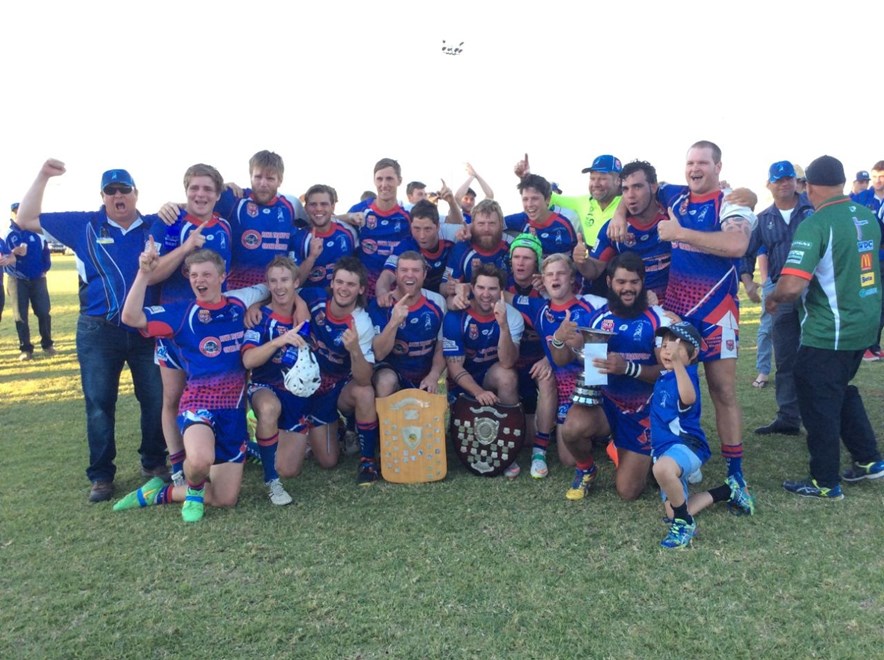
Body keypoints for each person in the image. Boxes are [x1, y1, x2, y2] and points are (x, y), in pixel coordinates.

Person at [15, 159, 168, 502]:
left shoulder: (156, 225)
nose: (118, 196)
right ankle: (101, 476)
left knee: (155, 399)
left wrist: (227, 192)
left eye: (124, 190)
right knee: (99, 404)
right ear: (102, 196)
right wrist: (43, 175)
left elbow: (201, 208)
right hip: (98, 331)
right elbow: (25, 218)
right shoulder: (85, 224)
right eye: (110, 191)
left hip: (145, 330)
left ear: (136, 193)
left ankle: (154, 462)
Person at [613, 141, 757, 497]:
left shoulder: (729, 202)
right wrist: (618, 213)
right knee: (671, 386)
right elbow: (637, 189)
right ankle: (681, 451)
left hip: (718, 312)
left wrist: (680, 234)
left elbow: (737, 245)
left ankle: (735, 473)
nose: (695, 169)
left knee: (722, 390)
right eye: (690, 162)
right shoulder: (674, 196)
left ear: (718, 167)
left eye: (703, 163)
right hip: (678, 311)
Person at [116, 248, 265, 522]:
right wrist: (144, 273)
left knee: (225, 499)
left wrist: (257, 306)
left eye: (206, 274)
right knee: (198, 461)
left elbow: (274, 288)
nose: (199, 280)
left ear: (222, 277)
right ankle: (194, 490)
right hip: (199, 405)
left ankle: (158, 494)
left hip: (233, 414)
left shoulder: (240, 301)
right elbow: (131, 317)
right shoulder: (182, 312)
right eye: (194, 275)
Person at [769, 155, 884, 499]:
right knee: (838, 388)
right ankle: (868, 459)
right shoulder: (866, 215)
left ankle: (824, 481)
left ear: (809, 187)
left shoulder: (816, 224)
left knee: (816, 397)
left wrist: (774, 297)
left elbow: (792, 286)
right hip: (864, 325)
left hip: (830, 330)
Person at [148, 164, 233, 486]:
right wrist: (186, 249)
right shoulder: (169, 221)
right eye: (194, 188)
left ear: (217, 194)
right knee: (173, 397)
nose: (200, 194)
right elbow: (151, 275)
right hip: (175, 326)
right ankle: (177, 464)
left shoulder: (224, 226)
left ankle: (218, 455)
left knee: (217, 391)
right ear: (185, 191)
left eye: (208, 189)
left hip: (214, 327)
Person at [559, 253, 669, 501]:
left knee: (628, 492)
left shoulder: (658, 319)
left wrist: (627, 368)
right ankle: (586, 469)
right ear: (609, 282)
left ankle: (651, 450)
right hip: (607, 406)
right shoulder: (597, 317)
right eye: (621, 282)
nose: (627, 288)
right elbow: (566, 358)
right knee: (572, 428)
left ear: (643, 282)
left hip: (643, 411)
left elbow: (667, 372)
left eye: (634, 282)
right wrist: (564, 340)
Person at [650, 322, 753, 548]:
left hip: (687, 446)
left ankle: (684, 524)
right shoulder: (666, 375)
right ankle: (728, 490)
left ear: (693, 353)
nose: (668, 352)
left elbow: (688, 398)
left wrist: (678, 364)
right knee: (673, 509)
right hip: (664, 451)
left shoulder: (686, 376)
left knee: (662, 470)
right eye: (665, 346)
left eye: (676, 349)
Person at [515, 254, 606, 482]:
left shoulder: (593, 304)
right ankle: (583, 437)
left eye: (561, 273)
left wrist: (650, 299)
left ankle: (607, 433)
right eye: (550, 275)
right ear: (543, 281)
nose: (555, 278)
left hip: (596, 384)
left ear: (572, 278)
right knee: (568, 459)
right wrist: (461, 291)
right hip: (565, 391)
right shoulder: (539, 309)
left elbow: (625, 308)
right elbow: (501, 296)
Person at [741, 161, 814, 436]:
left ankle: (818, 416)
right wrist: (748, 282)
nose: (784, 184)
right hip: (780, 292)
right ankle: (788, 417)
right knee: (784, 356)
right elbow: (745, 254)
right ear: (769, 184)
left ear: (796, 182)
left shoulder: (812, 210)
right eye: (778, 180)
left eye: (788, 179)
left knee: (816, 355)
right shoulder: (763, 219)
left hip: (814, 290)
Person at [241, 257, 317, 506]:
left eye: (284, 280)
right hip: (265, 386)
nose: (279, 286)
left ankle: (251, 447)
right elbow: (248, 360)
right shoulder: (259, 317)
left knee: (289, 469)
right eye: (273, 281)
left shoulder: (308, 311)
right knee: (269, 408)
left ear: (296, 282)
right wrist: (278, 341)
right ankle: (272, 482)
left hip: (296, 394)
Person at [299, 256, 380, 484]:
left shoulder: (361, 323)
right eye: (340, 282)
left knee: (364, 393)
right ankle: (339, 430)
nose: (344, 288)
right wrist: (298, 304)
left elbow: (364, 379)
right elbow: (286, 292)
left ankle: (367, 460)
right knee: (328, 460)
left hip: (337, 387)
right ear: (332, 283)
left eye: (351, 284)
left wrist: (354, 349)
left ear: (361, 289)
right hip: (307, 383)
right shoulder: (314, 298)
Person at [574, 160, 671, 299]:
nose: (630, 195)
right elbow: (593, 271)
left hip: (674, 306)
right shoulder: (613, 227)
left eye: (637, 187)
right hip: (633, 306)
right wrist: (581, 261)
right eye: (625, 189)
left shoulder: (674, 215)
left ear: (653, 187)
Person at [501, 234, 556, 478]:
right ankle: (508, 445)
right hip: (511, 362)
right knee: (521, 434)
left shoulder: (548, 288)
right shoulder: (501, 285)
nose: (521, 263)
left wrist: (548, 358)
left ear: (537, 262)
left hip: (538, 361)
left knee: (547, 377)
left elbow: (560, 327)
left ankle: (539, 451)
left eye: (527, 258)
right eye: (516, 257)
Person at [213, 150, 307, 289]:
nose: (263, 183)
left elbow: (319, 220)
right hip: (238, 288)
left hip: (276, 289)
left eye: (270, 178)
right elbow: (198, 205)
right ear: (250, 176)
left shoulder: (291, 205)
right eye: (258, 177)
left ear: (280, 180)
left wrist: (342, 217)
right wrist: (221, 187)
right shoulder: (235, 199)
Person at [443, 263, 524, 408]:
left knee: (507, 376)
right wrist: (479, 392)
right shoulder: (456, 316)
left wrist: (504, 326)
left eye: (492, 289)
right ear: (472, 288)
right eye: (481, 288)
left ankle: (509, 420)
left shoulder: (512, 315)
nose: (486, 294)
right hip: (461, 383)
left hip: (490, 377)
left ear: (501, 291)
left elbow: (507, 362)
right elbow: (454, 367)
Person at [369, 251, 446, 397]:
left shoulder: (437, 302)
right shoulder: (382, 305)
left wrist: (434, 375)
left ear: (424, 274)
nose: (409, 275)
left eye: (416, 270)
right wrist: (394, 322)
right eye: (404, 270)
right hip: (391, 371)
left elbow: (441, 346)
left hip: (423, 375)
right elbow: (379, 354)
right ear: (396, 274)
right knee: (386, 382)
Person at [374, 195, 460, 301]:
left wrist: (469, 234)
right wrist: (382, 294)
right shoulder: (407, 246)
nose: (422, 235)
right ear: (410, 226)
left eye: (427, 229)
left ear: (438, 226)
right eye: (417, 229)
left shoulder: (451, 234)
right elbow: (387, 275)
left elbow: (473, 228)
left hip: (446, 295)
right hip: (417, 297)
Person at [347, 158, 412, 297]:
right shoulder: (361, 209)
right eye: (379, 179)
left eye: (389, 179)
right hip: (364, 286)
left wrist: (451, 202)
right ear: (374, 181)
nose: (384, 184)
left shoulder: (408, 215)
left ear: (399, 180)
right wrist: (348, 217)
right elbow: (331, 221)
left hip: (396, 285)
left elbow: (444, 224)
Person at [5, 202, 56, 360]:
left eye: (21, 211)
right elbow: (3, 257)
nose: (18, 214)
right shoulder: (7, 234)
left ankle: (47, 344)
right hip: (16, 280)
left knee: (44, 312)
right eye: (15, 212)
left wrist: (44, 269)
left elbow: (46, 253)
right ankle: (25, 349)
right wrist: (13, 252)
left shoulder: (38, 233)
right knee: (20, 316)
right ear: (12, 214)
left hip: (38, 279)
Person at [290, 184, 357, 290]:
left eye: (324, 204)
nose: (319, 209)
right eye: (313, 204)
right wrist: (312, 257)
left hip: (342, 297)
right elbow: (294, 283)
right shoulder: (298, 239)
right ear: (306, 208)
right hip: (309, 298)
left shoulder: (349, 232)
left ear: (333, 207)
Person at [849, 160, 884, 360]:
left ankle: (874, 345)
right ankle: (864, 346)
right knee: (868, 301)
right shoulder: (861, 198)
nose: (878, 181)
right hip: (867, 259)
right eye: (875, 177)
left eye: (882, 177)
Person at [443, 199, 510, 296]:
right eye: (481, 224)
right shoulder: (461, 249)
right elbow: (443, 287)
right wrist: (449, 288)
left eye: (492, 223)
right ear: (473, 224)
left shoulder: (512, 246)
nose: (486, 229)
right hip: (470, 303)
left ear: (501, 224)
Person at [505, 174, 578, 258]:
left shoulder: (566, 221)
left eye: (535, 198)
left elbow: (579, 253)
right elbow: (495, 223)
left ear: (548, 199)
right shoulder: (522, 219)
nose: (529, 204)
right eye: (525, 199)